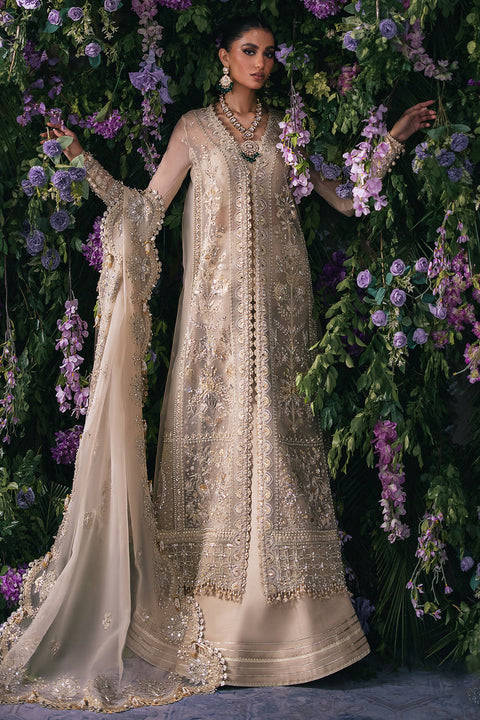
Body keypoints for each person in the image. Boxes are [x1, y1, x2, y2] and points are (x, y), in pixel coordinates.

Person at [0, 15, 435, 712]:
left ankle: (295, 639)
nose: (261, 63)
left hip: (285, 326)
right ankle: (213, 630)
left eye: (269, 53)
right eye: (249, 51)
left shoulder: (287, 132)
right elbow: (144, 209)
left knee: (280, 455)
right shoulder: (194, 130)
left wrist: (394, 139)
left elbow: (347, 198)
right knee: (220, 456)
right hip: (214, 330)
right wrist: (82, 159)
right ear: (224, 57)